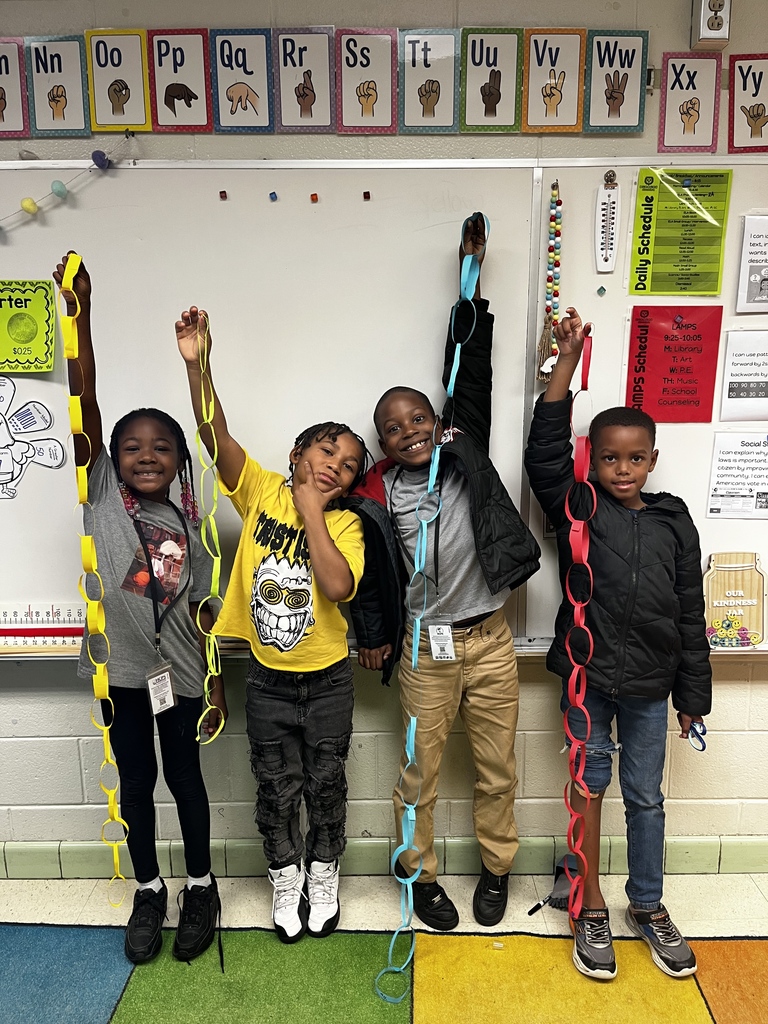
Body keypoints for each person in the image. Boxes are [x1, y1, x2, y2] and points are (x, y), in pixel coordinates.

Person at [350, 215, 541, 930]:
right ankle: (419, 876)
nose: (408, 432)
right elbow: (370, 581)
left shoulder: (466, 455)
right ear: (381, 443)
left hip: (490, 642)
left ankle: (496, 870)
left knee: (498, 771)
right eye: (392, 428)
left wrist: (473, 277)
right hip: (424, 653)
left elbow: (470, 367)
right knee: (419, 777)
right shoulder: (378, 496)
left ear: (439, 420)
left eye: (417, 419)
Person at [524, 307, 711, 981]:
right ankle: (589, 901)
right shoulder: (578, 506)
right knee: (589, 785)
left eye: (636, 458)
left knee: (646, 797)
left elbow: (691, 612)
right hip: (587, 680)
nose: (623, 468)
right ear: (592, 459)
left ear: (652, 459)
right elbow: (542, 454)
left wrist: (692, 697)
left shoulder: (673, 520)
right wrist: (565, 365)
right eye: (609, 457)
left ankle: (648, 905)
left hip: (651, 688)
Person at [54, 253, 226, 967]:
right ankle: (150, 888)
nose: (145, 454)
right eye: (132, 447)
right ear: (111, 458)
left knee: (186, 780)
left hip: (182, 678)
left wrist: (214, 678)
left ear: (181, 460)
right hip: (122, 677)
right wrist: (81, 316)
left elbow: (210, 610)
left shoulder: (195, 518)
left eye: (161, 446)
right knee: (136, 783)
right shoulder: (98, 492)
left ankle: (200, 885)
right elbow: (86, 402)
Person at [175, 306, 367, 944]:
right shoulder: (259, 489)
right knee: (276, 789)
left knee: (327, 785)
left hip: (330, 681)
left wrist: (313, 509)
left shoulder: (344, 523)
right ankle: (285, 873)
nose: (333, 466)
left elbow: (338, 586)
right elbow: (213, 435)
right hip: (268, 681)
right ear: (295, 453)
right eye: (324, 451)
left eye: (345, 465)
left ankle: (322, 872)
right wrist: (200, 365)